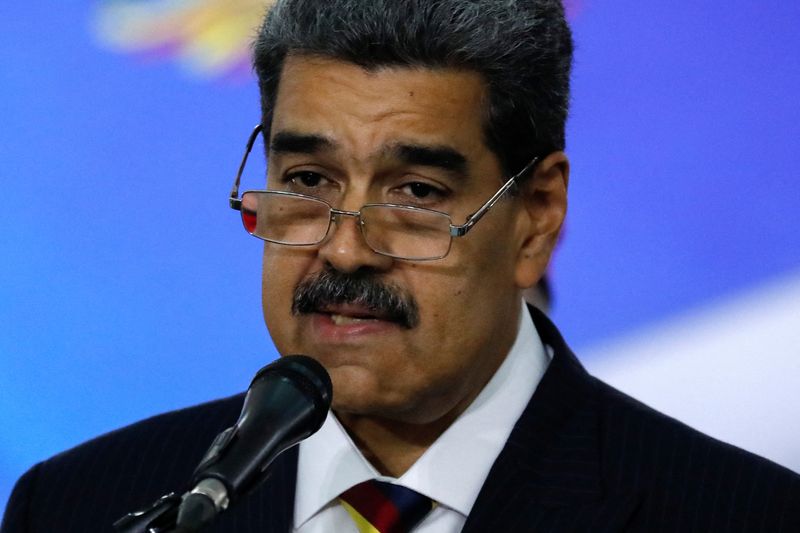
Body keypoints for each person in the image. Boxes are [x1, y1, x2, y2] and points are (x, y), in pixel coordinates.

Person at [3, 1, 799, 532]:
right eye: (308, 182)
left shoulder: (738, 515)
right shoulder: (81, 505)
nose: (343, 249)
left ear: (536, 217)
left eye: (416, 193)